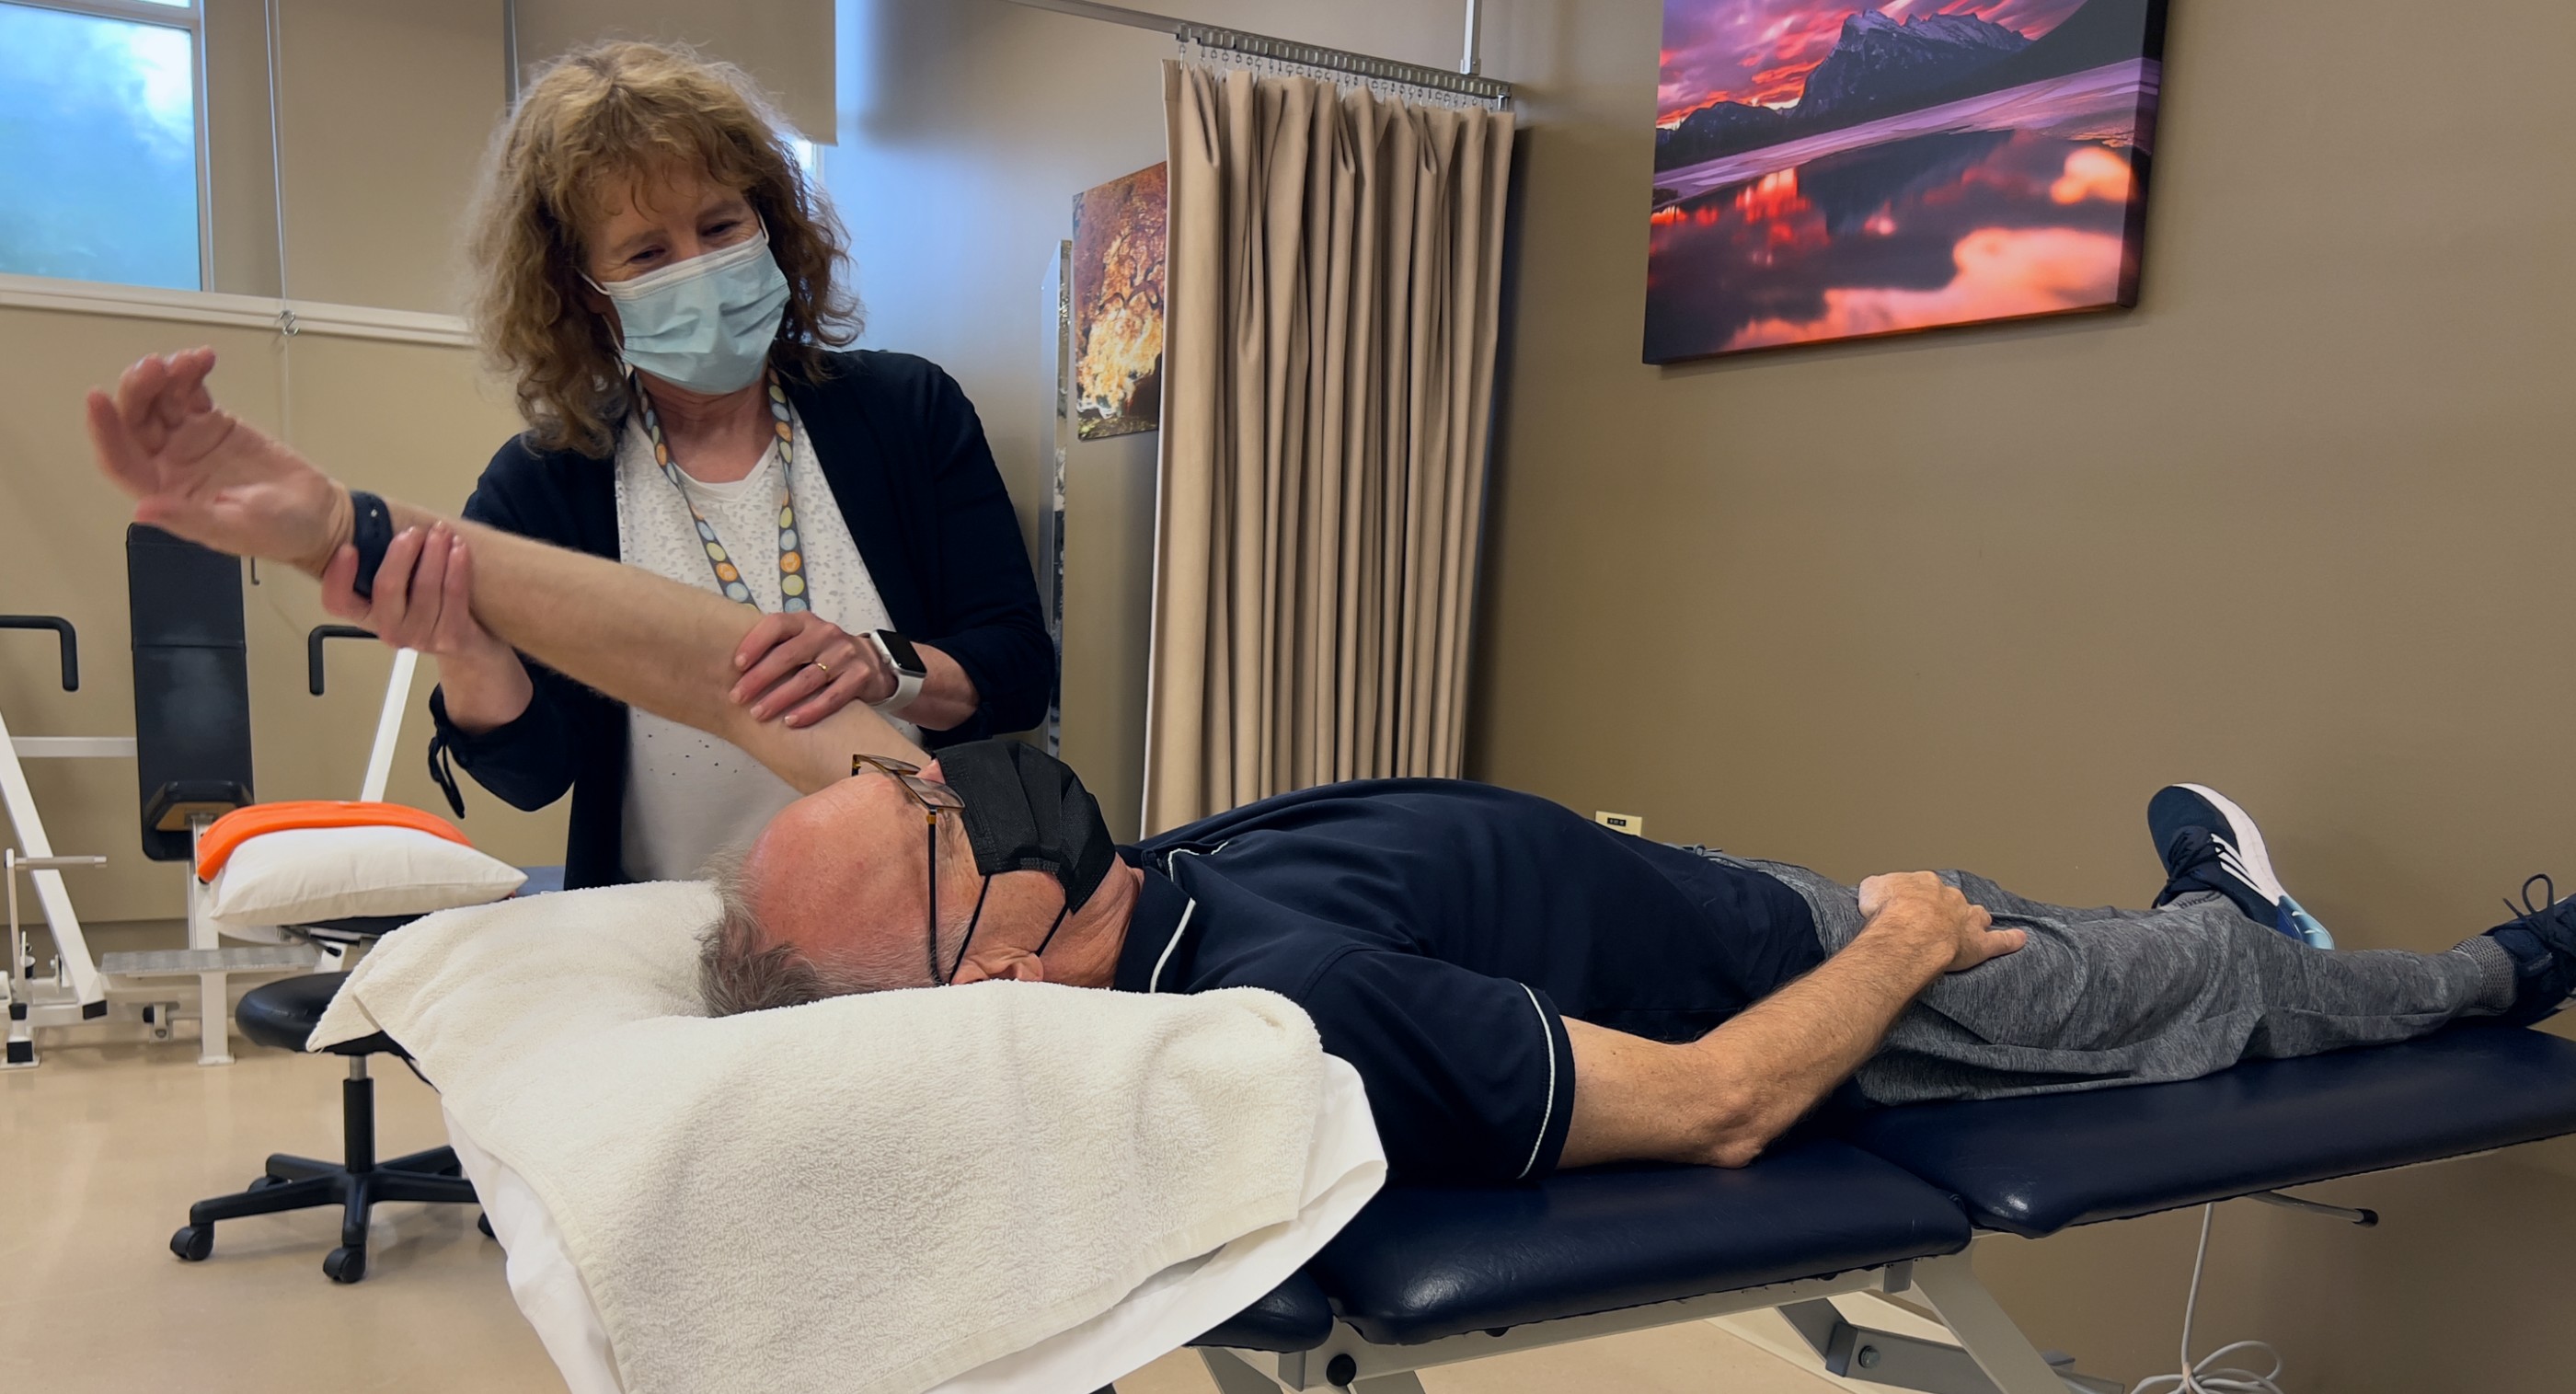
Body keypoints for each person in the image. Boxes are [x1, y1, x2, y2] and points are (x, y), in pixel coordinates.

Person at [84, 348, 2576, 1187]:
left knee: (2099, 944)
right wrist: (1908, 937)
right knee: (2163, 993)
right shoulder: (1274, 997)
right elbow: (1713, 1105)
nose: (915, 760)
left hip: (1670, 882)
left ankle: (2201, 923)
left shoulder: (1073, 872)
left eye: (909, 774)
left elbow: (772, 670)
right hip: (1809, 965)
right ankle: (2470, 954)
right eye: (920, 820)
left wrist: (338, 530)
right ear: (992, 965)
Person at [370, 41, 1050, 888]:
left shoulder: (908, 413)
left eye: (721, 227)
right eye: (647, 254)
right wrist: (464, 648)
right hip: (676, 938)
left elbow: (1019, 671)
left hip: (920, 917)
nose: (698, 270)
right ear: (583, 285)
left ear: (768, 220)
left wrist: (886, 664)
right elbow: (533, 776)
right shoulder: (547, 485)